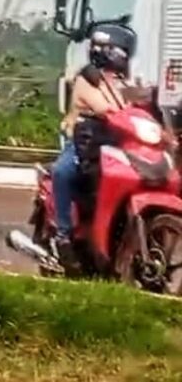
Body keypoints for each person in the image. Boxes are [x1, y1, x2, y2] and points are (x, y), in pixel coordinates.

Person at [52, 25, 133, 265]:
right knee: (63, 171)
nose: (123, 57)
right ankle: (63, 233)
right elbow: (106, 108)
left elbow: (133, 105)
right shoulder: (87, 79)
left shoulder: (121, 82)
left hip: (111, 143)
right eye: (120, 52)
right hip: (82, 142)